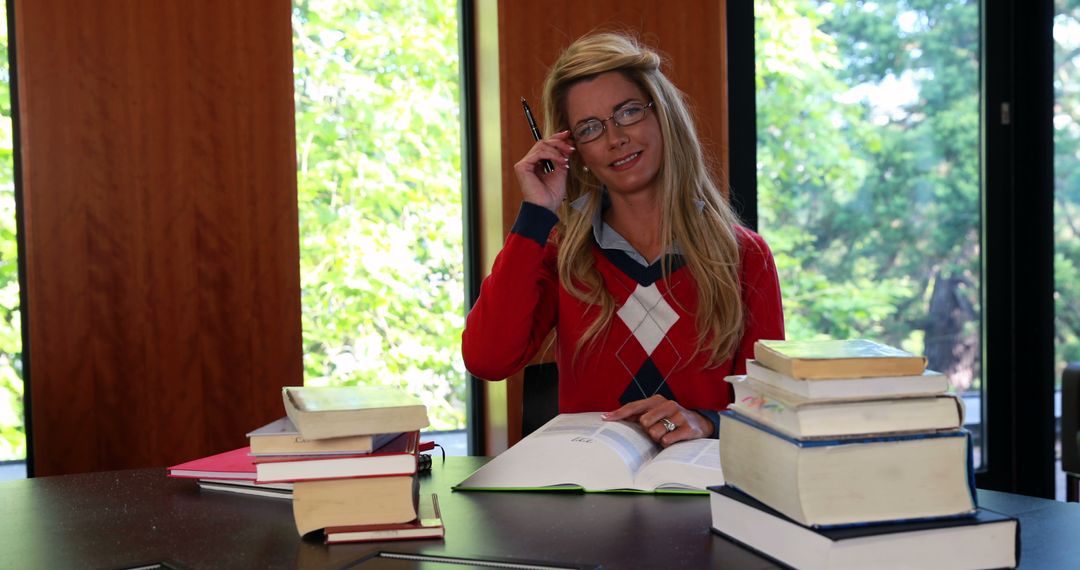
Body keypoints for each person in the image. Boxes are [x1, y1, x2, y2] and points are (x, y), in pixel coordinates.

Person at [462, 32, 784, 447]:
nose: (615, 138)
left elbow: (770, 406)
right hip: (590, 496)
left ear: (663, 115)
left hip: (702, 493)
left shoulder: (743, 255)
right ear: (572, 149)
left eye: (629, 112)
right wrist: (537, 215)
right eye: (590, 128)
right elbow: (487, 359)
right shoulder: (560, 254)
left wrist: (706, 422)